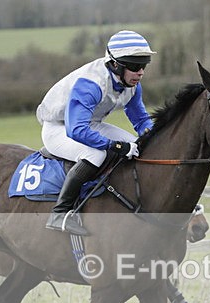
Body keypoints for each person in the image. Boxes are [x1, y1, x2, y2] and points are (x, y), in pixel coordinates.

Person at [36, 30, 156, 235]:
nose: (141, 73)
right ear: (116, 65)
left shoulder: (132, 85)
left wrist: (157, 137)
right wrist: (115, 146)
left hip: (89, 124)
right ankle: (60, 213)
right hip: (58, 128)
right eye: (135, 67)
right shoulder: (91, 84)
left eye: (144, 66)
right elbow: (77, 130)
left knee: (139, 146)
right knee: (96, 154)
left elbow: (141, 120)